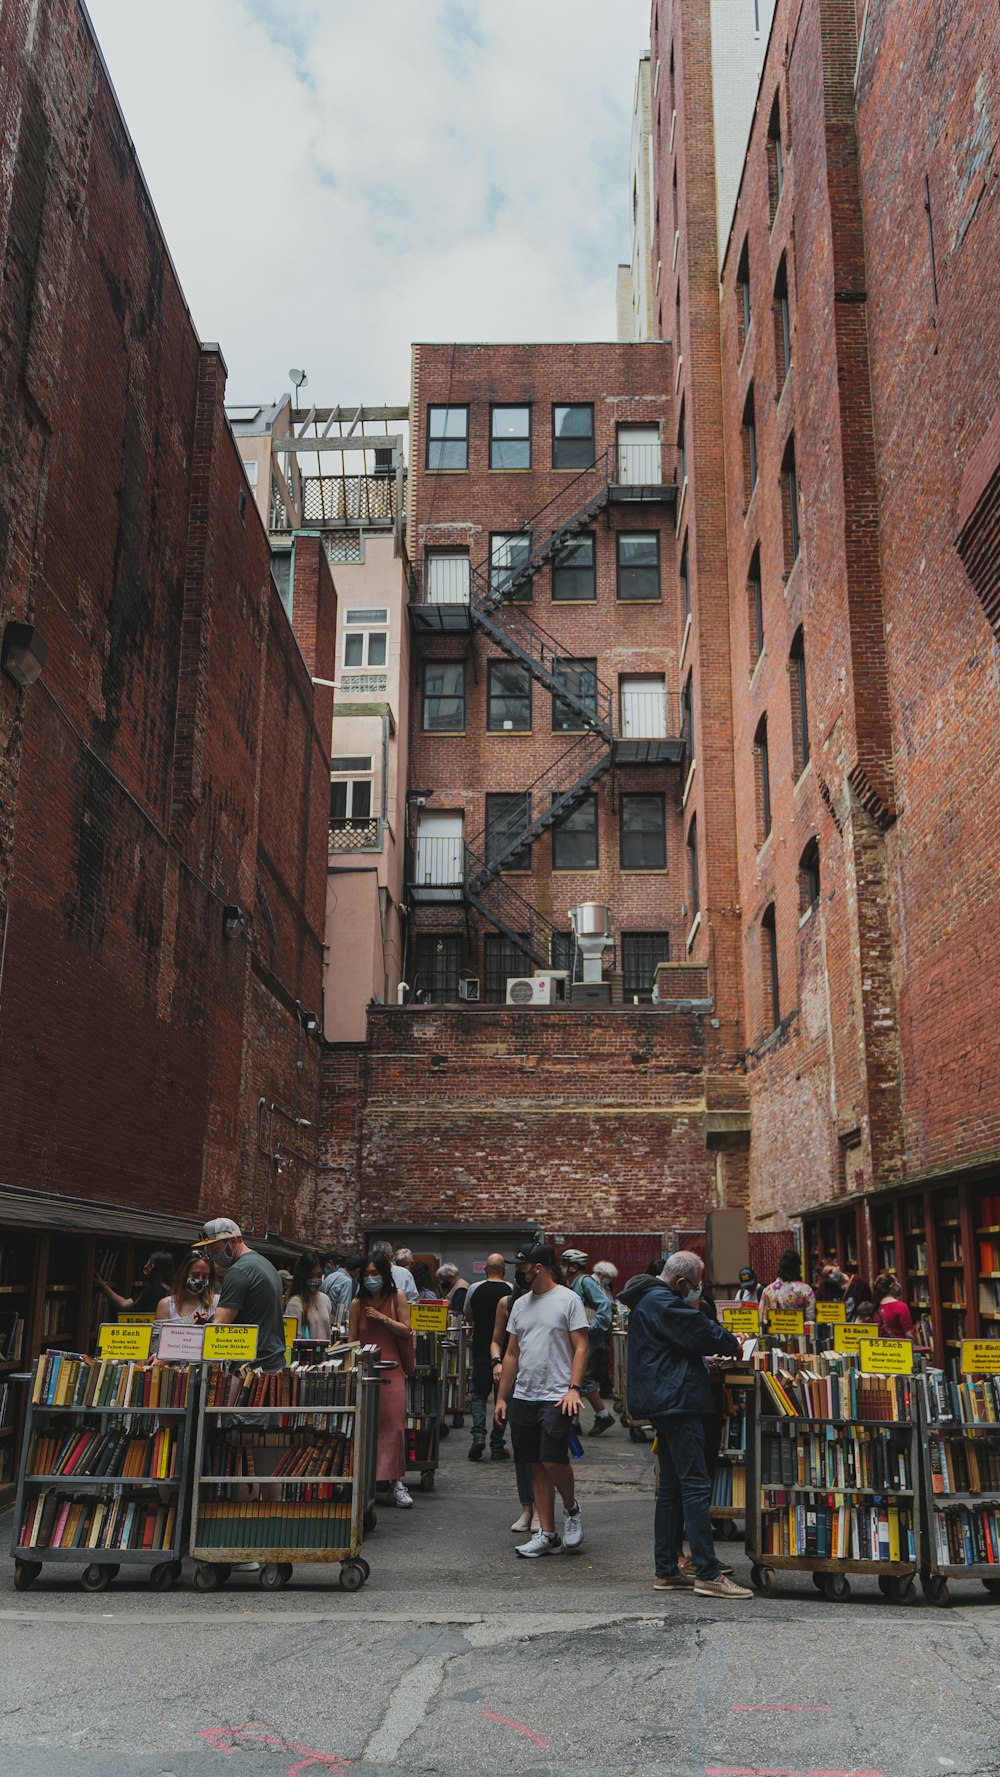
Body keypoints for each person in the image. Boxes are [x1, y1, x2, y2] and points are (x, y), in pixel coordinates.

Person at [626, 1251, 752, 1599]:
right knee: (696, 1485)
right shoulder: (665, 1300)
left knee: (671, 1488)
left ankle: (666, 1570)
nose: (698, 1292)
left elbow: (671, 1347)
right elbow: (702, 1329)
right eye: (697, 1286)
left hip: (664, 1398)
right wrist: (732, 1343)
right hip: (677, 1401)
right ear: (682, 1282)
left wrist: (699, 1360)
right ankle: (708, 1574)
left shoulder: (650, 1299)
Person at [495, 1242, 588, 1558]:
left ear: (539, 1267)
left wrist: (574, 1387)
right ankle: (547, 1534)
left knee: (552, 1459)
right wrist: (501, 1398)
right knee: (534, 1464)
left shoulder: (568, 1299)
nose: (517, 1272)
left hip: (557, 1395)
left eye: (521, 1266)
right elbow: (511, 1353)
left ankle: (571, 1509)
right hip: (524, 1395)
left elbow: (581, 1346)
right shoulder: (519, 1304)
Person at [349, 1250, 414, 1507]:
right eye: (366, 1274)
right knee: (367, 1426)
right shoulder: (357, 1304)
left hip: (392, 1369)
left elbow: (406, 1330)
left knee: (394, 1425)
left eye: (375, 1274)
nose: (370, 1278)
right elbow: (352, 1340)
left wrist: (383, 1318)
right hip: (366, 1370)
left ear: (385, 1275)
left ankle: (397, 1481)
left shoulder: (397, 1297)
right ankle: (368, 1479)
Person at [195, 1218, 286, 1370]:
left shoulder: (237, 1271)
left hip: (252, 1368)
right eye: (209, 1252)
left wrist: (177, 1351)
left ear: (232, 1241)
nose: (212, 1257)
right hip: (273, 1362)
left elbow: (218, 1328)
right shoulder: (266, 1265)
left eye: (215, 1250)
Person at [491, 1254, 538, 1532]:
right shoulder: (509, 1303)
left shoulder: (555, 1299)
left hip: (544, 1383)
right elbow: (498, 1342)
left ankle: (545, 1508)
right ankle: (527, 1508)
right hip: (514, 1380)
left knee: (545, 1452)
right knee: (521, 1448)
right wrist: (497, 1363)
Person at [560, 1250, 615, 1433]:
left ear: (574, 1266)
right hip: (581, 1338)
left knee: (584, 1377)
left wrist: (593, 1328)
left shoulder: (585, 1282)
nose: (561, 1267)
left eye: (564, 1263)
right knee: (575, 1376)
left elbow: (604, 1305)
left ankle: (603, 1415)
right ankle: (574, 1422)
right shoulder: (571, 1284)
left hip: (591, 1339)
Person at [464, 1253, 512, 1462]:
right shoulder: (511, 1290)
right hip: (506, 1350)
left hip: (482, 1348)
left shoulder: (475, 1289)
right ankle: (496, 1444)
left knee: (478, 1394)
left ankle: (478, 1434)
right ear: (504, 1270)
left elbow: (468, 1313)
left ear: (485, 1269)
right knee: (503, 1396)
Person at [95, 1251, 174, 1318]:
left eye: (149, 1263)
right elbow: (123, 1304)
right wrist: (103, 1286)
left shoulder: (156, 1290)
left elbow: (124, 1305)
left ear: (154, 1268)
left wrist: (102, 1286)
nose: (145, 1266)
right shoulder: (171, 1290)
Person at [154, 1249, 218, 1324]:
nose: (200, 1280)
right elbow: (159, 1335)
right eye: (195, 1275)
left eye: (204, 1276)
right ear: (184, 1274)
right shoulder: (166, 1305)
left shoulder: (215, 1303)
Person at [284, 1250, 334, 1342]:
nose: (315, 1280)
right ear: (303, 1276)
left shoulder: (325, 1299)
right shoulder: (295, 1303)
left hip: (324, 1354)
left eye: (319, 1276)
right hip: (306, 1355)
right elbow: (292, 1341)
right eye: (311, 1276)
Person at [758, 1250, 816, 1326]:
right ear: (798, 1267)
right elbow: (811, 1317)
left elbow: (762, 1317)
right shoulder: (805, 1289)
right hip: (799, 1334)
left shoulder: (768, 1290)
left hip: (775, 1334)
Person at [370, 1240, 418, 1304]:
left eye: (383, 1259)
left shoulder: (404, 1274)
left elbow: (413, 1300)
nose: (380, 1262)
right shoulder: (368, 1274)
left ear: (391, 1257)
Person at [873, 1274, 915, 1341]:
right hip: (899, 1348)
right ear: (892, 1286)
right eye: (896, 1282)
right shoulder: (900, 1306)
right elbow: (909, 1334)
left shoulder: (875, 1307)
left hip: (881, 1349)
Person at [320, 1252, 355, 1324]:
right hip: (334, 1321)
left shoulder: (329, 1276)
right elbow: (343, 1308)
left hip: (322, 1316)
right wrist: (341, 1327)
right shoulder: (347, 1281)